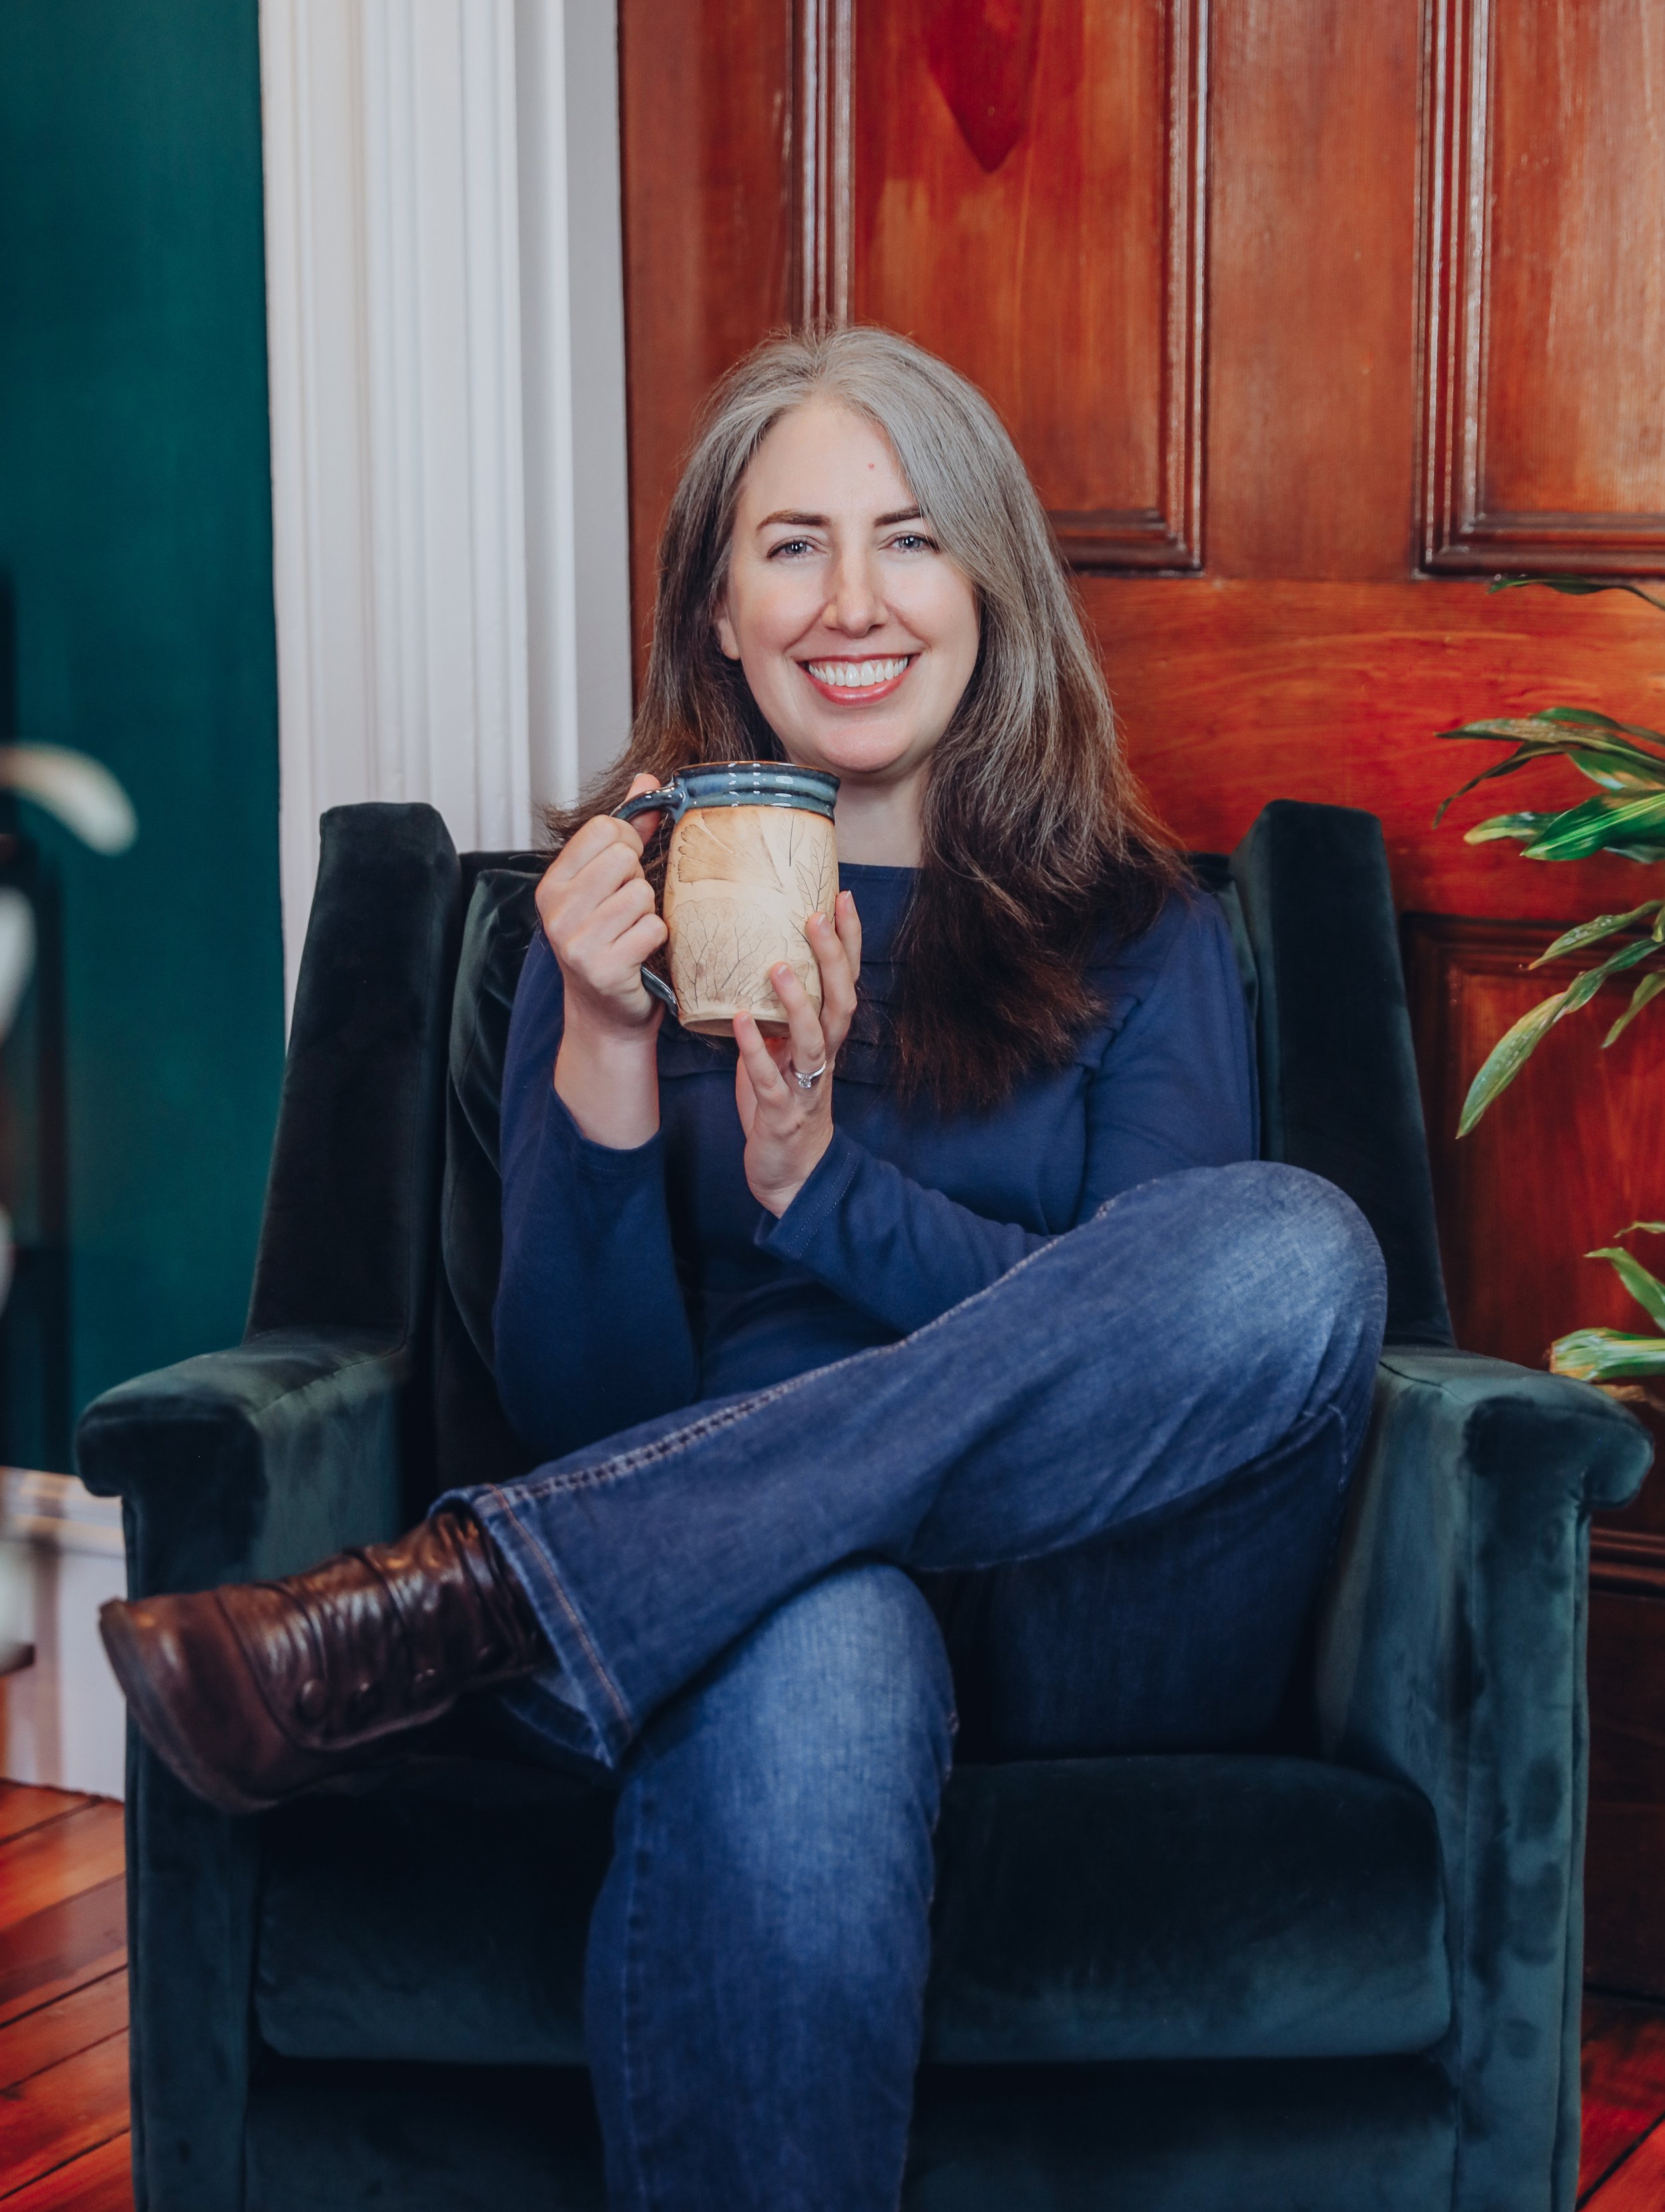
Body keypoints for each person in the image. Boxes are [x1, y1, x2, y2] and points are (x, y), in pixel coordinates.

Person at [101, 326, 1387, 2212]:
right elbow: (589, 1407)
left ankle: (485, 1595)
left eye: (910, 538)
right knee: (808, 1630)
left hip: (1101, 1602)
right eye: (791, 545)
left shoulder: (1137, 927)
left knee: (1295, 1248)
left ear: (989, 588)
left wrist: (814, 1192)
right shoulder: (596, 927)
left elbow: (1162, 1340)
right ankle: (575, 1582)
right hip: (758, 1603)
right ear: (716, 605)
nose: (852, 600)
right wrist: (606, 1059)